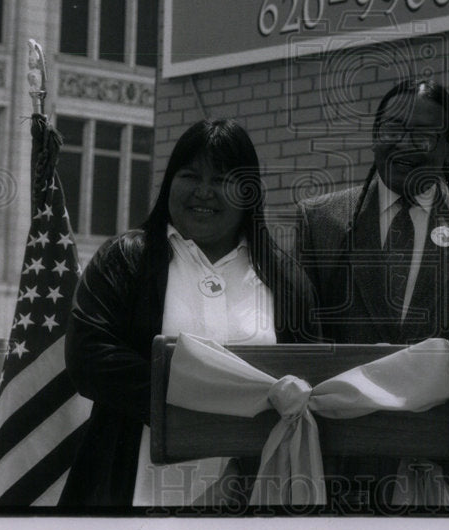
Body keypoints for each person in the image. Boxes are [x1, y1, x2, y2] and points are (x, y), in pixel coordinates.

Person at [61, 119, 317, 507]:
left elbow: (311, 379)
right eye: (190, 175)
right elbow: (89, 359)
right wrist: (212, 398)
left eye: (221, 180)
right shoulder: (126, 259)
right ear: (169, 183)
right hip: (134, 491)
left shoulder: (286, 280)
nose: (203, 192)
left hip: (251, 496)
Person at [296, 78, 449, 510]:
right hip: (341, 469)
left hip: (447, 470)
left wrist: (426, 414)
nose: (403, 144)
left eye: (421, 135)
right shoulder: (320, 221)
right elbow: (301, 338)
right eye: (392, 130)